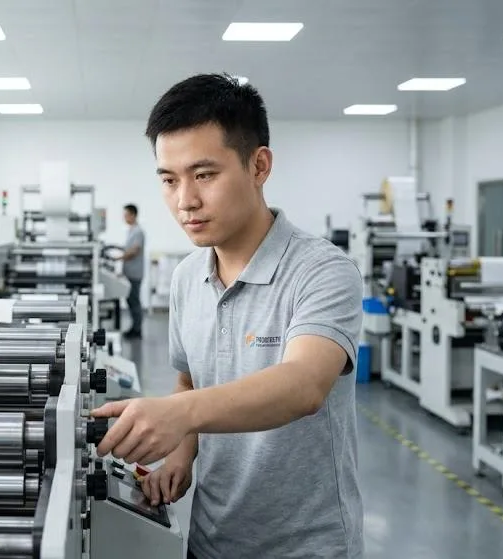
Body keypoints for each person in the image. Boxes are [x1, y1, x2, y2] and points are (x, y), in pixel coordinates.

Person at [91, 74, 364, 558]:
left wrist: (177, 418)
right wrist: (182, 451)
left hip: (304, 547)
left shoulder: (322, 271)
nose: (185, 201)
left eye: (205, 174)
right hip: (211, 537)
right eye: (169, 180)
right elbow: (190, 380)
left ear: (259, 166)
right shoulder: (186, 277)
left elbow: (304, 385)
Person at [120, 204, 146, 338]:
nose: (124, 217)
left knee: (134, 301)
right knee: (130, 301)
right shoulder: (131, 231)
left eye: (126, 215)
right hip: (129, 272)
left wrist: (119, 257)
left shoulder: (138, 232)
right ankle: (134, 327)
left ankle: (137, 330)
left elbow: (135, 250)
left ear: (133, 215)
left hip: (134, 273)